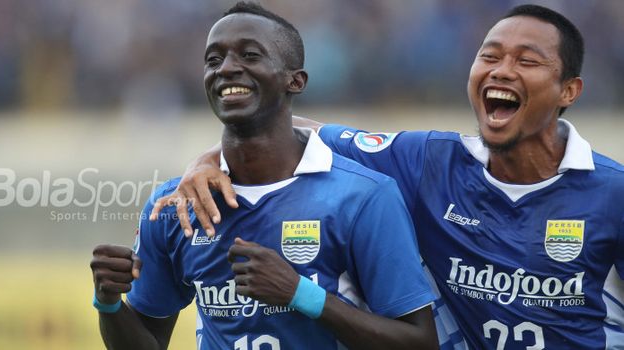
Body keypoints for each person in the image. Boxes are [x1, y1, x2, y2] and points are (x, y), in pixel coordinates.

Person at [153, 4, 624, 349]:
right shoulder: (427, 161)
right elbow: (280, 128)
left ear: (569, 90)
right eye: (490, 56)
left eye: (526, 61)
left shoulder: (613, 192)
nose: (501, 70)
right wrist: (207, 161)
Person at [91, 2, 439, 349]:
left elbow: (419, 342)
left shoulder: (364, 197)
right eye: (214, 60)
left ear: (295, 80)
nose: (227, 68)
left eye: (250, 55)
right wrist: (108, 304)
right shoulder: (177, 206)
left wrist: (301, 294)